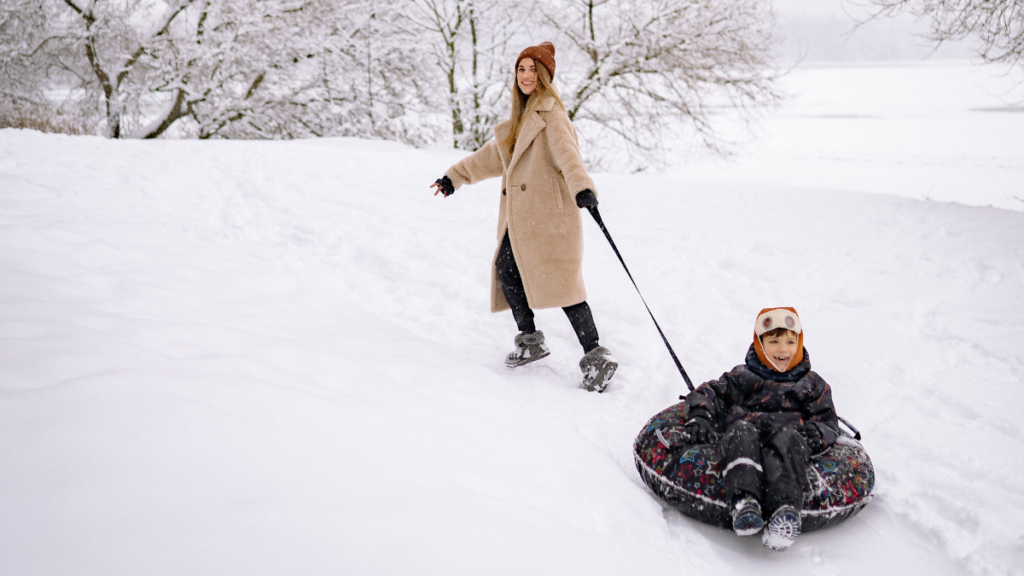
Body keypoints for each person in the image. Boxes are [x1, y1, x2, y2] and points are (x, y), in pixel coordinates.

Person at [429, 41, 617, 392]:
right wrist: (453, 178)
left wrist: (583, 190)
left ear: (544, 76)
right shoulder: (519, 121)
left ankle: (596, 355)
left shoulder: (553, 118)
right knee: (506, 268)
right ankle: (530, 340)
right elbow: (487, 158)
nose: (526, 75)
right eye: (521, 69)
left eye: (533, 69)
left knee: (564, 287)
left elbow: (570, 159)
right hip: (522, 225)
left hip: (550, 222)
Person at [666, 307, 839, 551]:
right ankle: (745, 502)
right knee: (740, 431)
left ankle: (784, 513)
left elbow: (829, 420)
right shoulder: (743, 376)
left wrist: (819, 433)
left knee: (790, 440)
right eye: (774, 341)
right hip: (748, 437)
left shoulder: (812, 384)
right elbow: (708, 394)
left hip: (788, 441)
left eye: (790, 341)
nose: (783, 349)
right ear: (759, 343)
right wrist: (700, 417)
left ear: (799, 343)